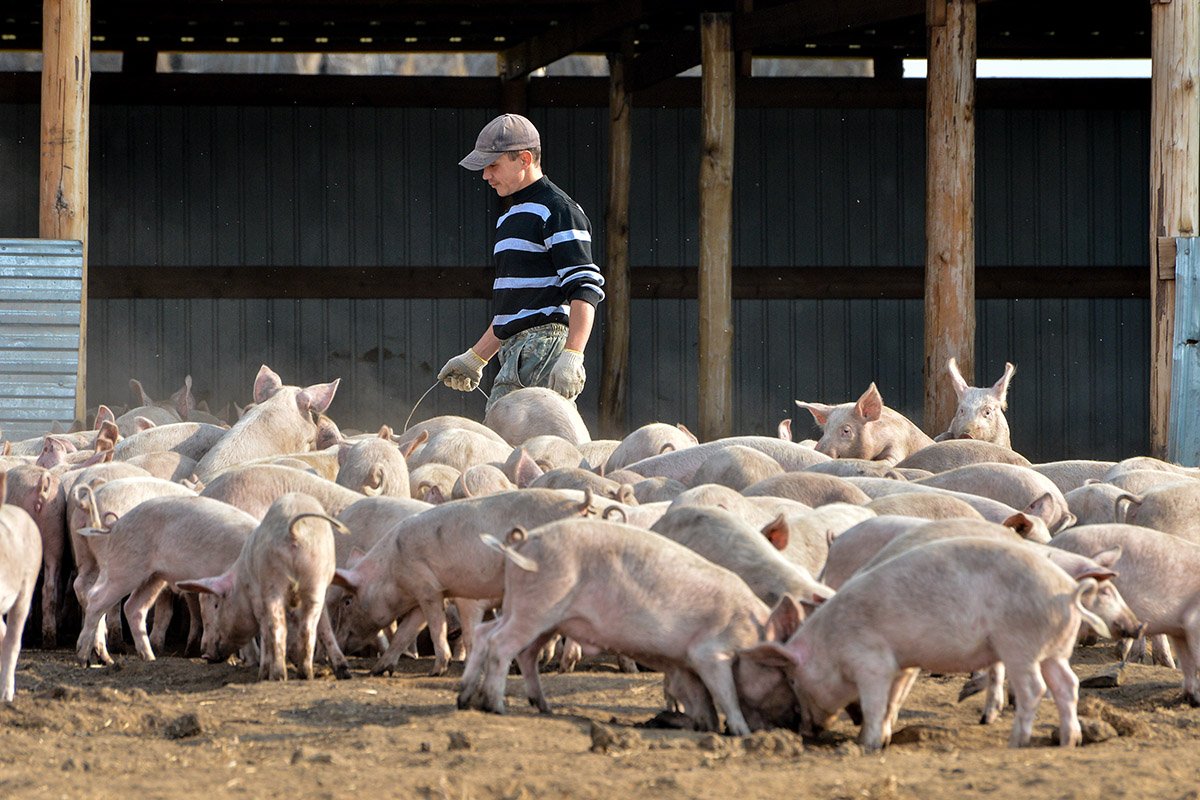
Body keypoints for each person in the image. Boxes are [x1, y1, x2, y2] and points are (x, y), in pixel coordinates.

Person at [437, 113, 604, 412]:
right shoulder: (510, 216)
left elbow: (585, 287)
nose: (486, 175)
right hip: (515, 349)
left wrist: (572, 355)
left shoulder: (558, 210)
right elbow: (515, 308)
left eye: (493, 165)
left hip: (544, 346)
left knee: (508, 443)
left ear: (524, 159)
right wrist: (476, 357)